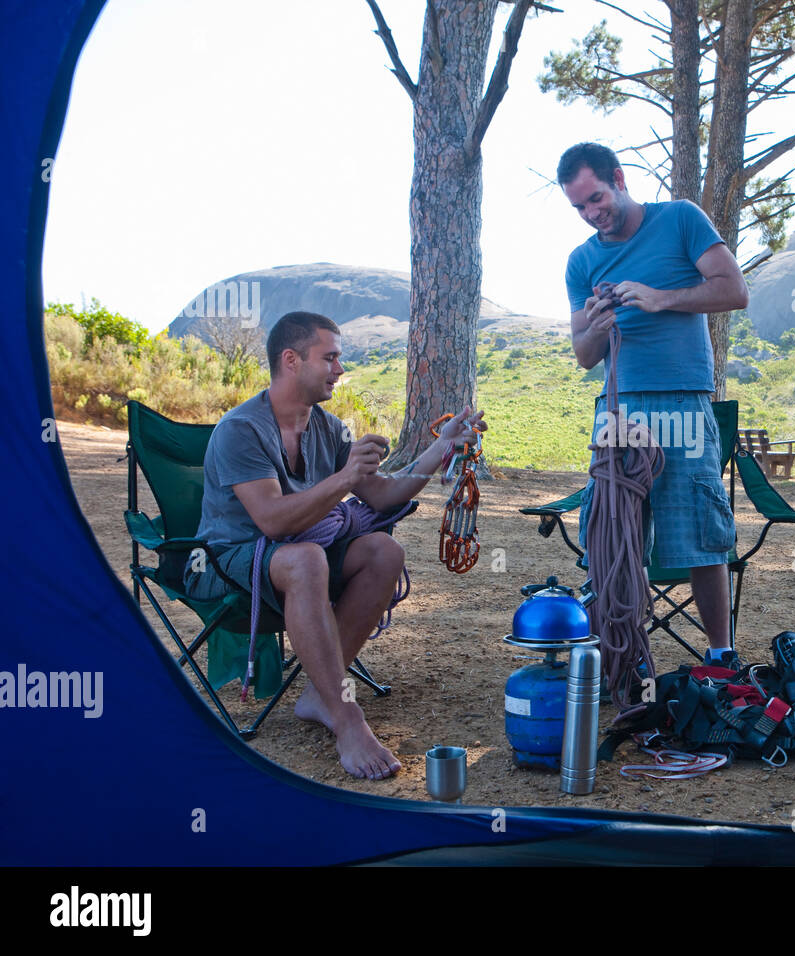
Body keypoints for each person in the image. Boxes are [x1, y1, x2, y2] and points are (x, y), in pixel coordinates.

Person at [185, 311, 485, 780]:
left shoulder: (329, 428)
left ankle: (320, 696)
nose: (340, 369)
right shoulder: (241, 430)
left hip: (295, 555)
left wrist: (441, 449)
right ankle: (347, 718)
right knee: (305, 559)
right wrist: (345, 478)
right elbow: (271, 520)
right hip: (230, 558)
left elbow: (384, 493)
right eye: (330, 357)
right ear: (291, 360)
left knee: (384, 552)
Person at [559, 142, 748, 666]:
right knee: (613, 534)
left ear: (618, 178)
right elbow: (582, 355)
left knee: (699, 532)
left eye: (596, 198)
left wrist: (661, 297)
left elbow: (734, 289)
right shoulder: (581, 262)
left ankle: (720, 656)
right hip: (617, 409)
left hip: (684, 401)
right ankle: (621, 658)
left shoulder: (681, 220)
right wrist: (597, 328)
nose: (592, 214)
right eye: (580, 208)